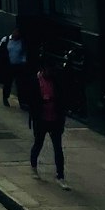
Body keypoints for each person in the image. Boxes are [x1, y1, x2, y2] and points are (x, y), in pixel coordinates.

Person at [29, 60, 70, 189]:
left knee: (58, 148)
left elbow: (62, 97)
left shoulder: (56, 81)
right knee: (38, 143)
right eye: (48, 70)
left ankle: (60, 176)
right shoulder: (35, 81)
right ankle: (34, 166)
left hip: (55, 119)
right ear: (43, 70)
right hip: (41, 120)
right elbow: (31, 100)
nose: (50, 73)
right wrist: (43, 102)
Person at [0, 27, 28, 107]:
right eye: (15, 32)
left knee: (20, 84)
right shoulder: (6, 39)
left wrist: (23, 61)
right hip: (8, 65)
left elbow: (24, 53)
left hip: (18, 65)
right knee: (8, 83)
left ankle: (21, 101)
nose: (16, 34)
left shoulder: (21, 42)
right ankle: (5, 98)